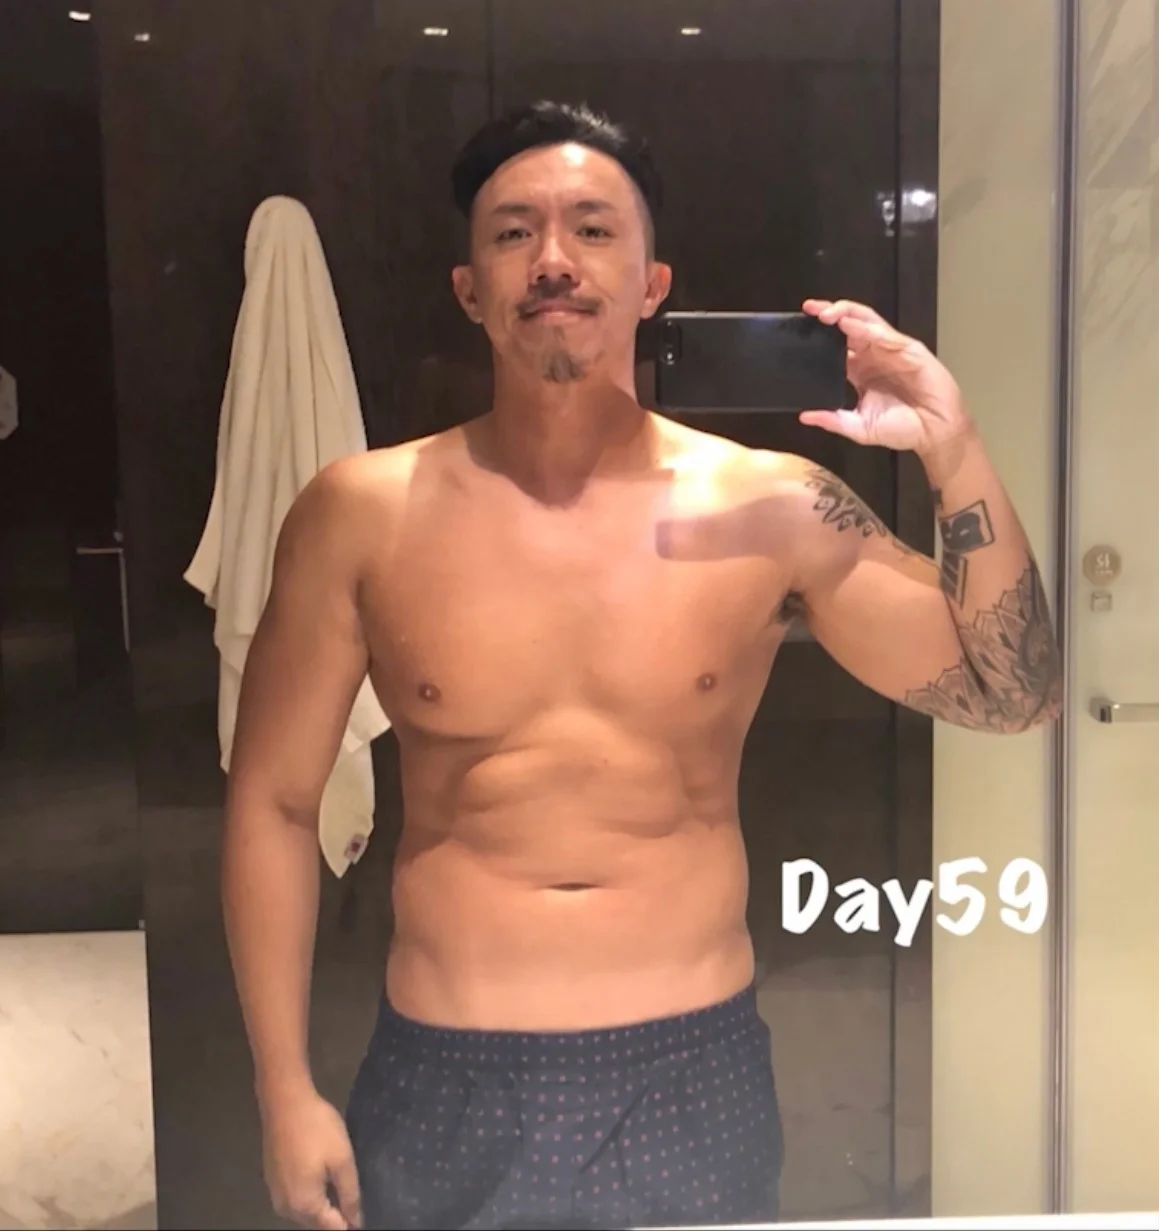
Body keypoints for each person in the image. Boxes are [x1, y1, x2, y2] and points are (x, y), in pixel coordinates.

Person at [221, 101, 1063, 1231]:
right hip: (444, 1071)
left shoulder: (769, 506)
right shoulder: (360, 514)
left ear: (651, 283)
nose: (552, 259)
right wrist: (282, 1089)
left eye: (592, 228)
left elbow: (1014, 695)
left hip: (689, 1070)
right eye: (512, 232)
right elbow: (274, 803)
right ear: (468, 288)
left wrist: (952, 447)